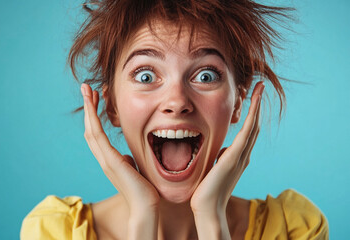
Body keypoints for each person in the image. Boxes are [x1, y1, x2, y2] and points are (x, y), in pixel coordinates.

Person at [21, 0, 328, 239]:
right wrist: (143, 216)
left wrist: (211, 220)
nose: (177, 101)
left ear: (237, 103)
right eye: (145, 75)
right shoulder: (53, 233)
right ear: (111, 105)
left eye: (206, 75)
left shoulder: (294, 231)